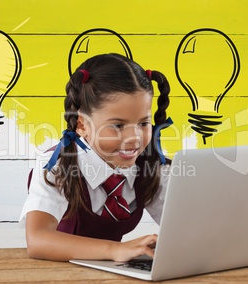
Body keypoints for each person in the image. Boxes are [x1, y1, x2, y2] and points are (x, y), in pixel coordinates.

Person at [20, 53, 173, 262]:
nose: (134, 137)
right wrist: (115, 250)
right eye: (118, 126)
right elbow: (38, 240)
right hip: (59, 273)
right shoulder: (56, 165)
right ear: (82, 125)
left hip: (113, 273)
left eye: (143, 123)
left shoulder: (151, 166)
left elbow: (185, 225)